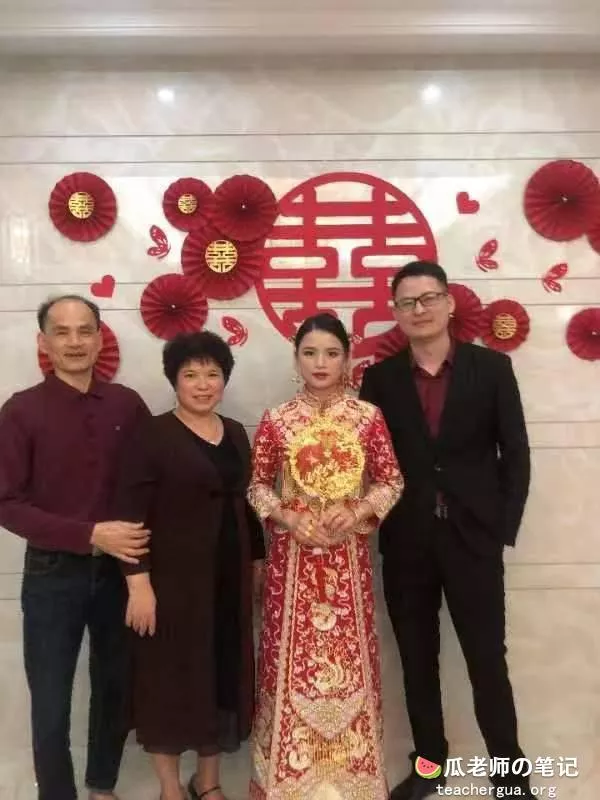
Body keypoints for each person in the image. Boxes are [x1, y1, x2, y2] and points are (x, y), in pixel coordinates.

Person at [359, 261, 532, 800]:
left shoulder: (491, 369)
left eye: (429, 298)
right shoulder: (380, 380)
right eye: (407, 302)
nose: (420, 310)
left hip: (473, 539)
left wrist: (500, 527)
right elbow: (371, 463)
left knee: (487, 660)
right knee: (417, 661)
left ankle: (510, 776)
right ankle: (430, 768)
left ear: (449, 302)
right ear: (396, 312)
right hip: (407, 542)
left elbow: (516, 454)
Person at [247, 312, 403, 800]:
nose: (320, 362)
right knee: (287, 664)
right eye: (310, 353)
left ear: (347, 359)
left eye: (332, 353)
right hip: (291, 566)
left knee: (351, 664)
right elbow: (256, 486)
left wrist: (357, 511)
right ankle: (287, 782)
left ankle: (352, 782)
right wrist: (287, 517)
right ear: (296, 359)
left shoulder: (367, 418)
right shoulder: (277, 419)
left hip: (347, 563)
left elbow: (392, 481)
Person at [0, 295, 150, 800]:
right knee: (50, 701)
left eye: (85, 330)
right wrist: (87, 534)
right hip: (52, 574)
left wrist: (141, 571)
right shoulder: (21, 410)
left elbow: (145, 489)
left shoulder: (127, 405)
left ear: (100, 338)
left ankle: (102, 787)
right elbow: (6, 504)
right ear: (43, 342)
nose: (74, 342)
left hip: (119, 574)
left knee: (115, 688)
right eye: (61, 332)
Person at [112, 331, 265, 800]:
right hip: (170, 583)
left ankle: (208, 782)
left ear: (225, 380)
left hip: (228, 578)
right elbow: (129, 515)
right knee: (168, 681)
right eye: (191, 375)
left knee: (220, 675)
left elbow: (248, 504)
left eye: (212, 374)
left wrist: (258, 563)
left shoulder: (235, 432)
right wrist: (138, 585)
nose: (202, 384)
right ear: (174, 380)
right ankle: (170, 789)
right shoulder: (151, 434)